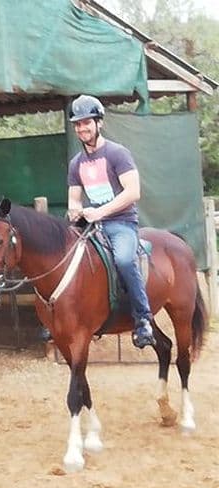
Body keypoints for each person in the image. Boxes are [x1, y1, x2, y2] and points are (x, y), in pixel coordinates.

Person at [66, 94, 155, 348]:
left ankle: (143, 319)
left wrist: (100, 212)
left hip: (121, 223)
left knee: (124, 260)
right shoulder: (76, 163)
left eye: (86, 122)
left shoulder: (117, 153)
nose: (82, 128)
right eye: (78, 124)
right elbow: (73, 198)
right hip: (91, 225)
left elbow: (133, 192)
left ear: (98, 123)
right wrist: (76, 210)